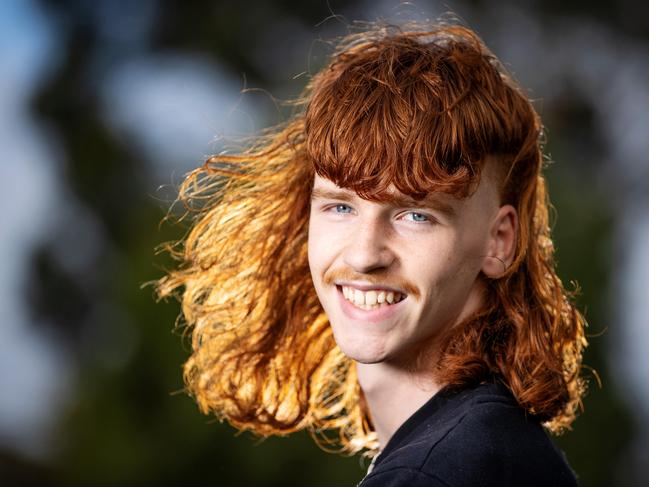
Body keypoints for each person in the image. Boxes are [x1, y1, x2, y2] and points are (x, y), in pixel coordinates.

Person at [157, 21, 587, 486]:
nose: (364, 256)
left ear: (499, 241)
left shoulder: (436, 472)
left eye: (415, 215)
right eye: (340, 206)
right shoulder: (490, 445)